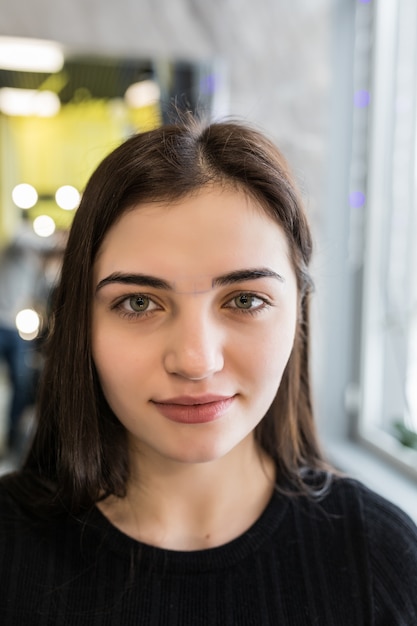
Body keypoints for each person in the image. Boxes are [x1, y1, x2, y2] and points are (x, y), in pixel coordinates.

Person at [0, 116, 416, 625]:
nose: (196, 361)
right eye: (137, 303)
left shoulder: (382, 560)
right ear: (81, 321)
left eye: (244, 299)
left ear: (298, 312)